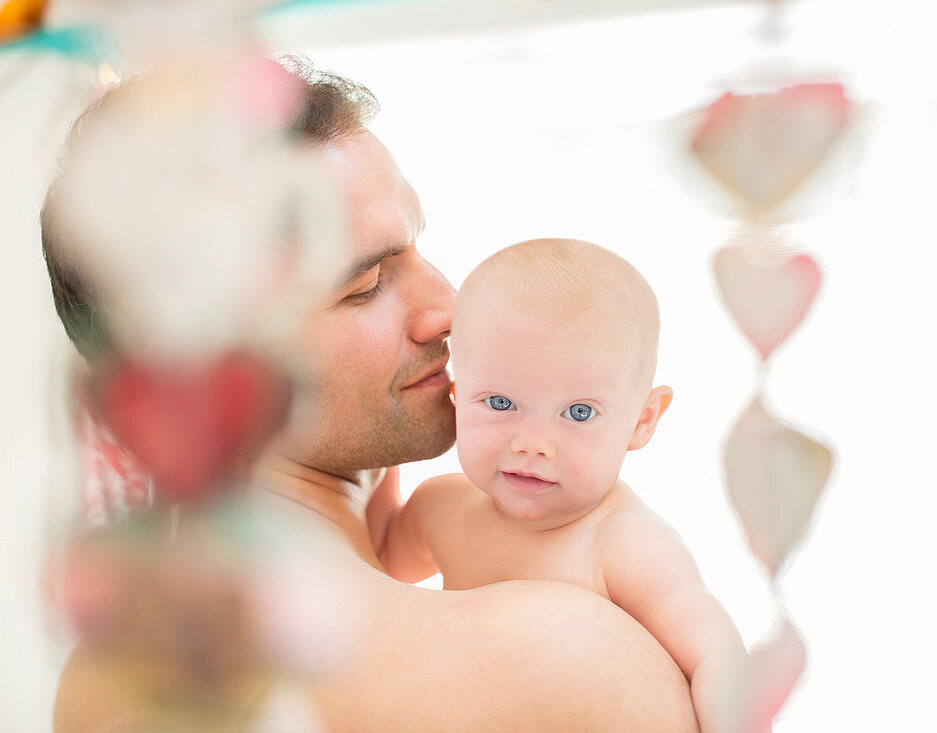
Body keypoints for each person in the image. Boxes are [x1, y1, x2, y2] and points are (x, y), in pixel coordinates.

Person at [43, 60, 698, 730]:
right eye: (365, 285)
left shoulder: (102, 681)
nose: (447, 306)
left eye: (416, 249)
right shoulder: (566, 658)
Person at [374, 238, 754, 732]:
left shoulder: (624, 544)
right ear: (456, 395)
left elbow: (717, 655)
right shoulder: (442, 507)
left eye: (578, 412)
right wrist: (381, 451)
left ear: (642, 420)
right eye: (499, 403)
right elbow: (379, 560)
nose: (533, 444)